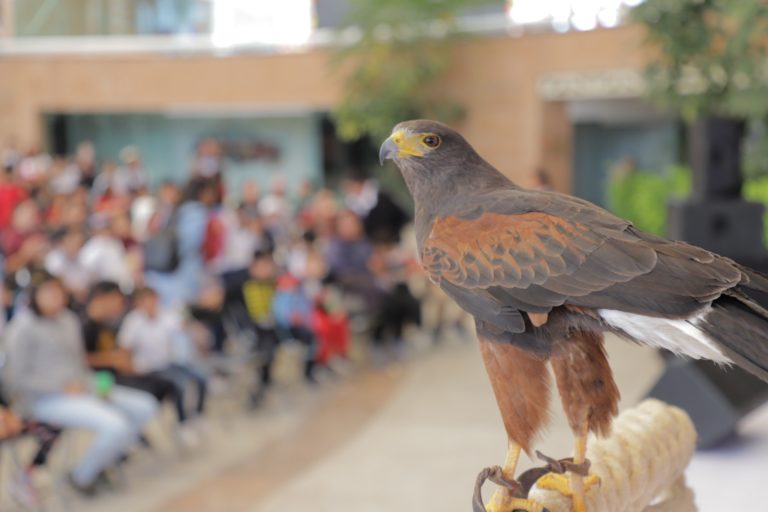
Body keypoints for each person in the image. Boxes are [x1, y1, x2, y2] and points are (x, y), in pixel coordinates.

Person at [4, 275, 158, 495]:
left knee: (144, 406)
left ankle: (104, 462)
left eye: (58, 292)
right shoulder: (22, 328)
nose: (54, 298)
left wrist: (95, 386)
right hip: (44, 398)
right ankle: (81, 476)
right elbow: (16, 378)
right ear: (35, 295)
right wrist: (59, 388)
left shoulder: (69, 320)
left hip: (81, 387)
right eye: (48, 292)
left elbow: (79, 363)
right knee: (116, 425)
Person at [118, 287, 208, 439]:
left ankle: (198, 415)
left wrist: (197, 331)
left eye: (153, 300)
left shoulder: (166, 315)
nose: (150, 304)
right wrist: (129, 369)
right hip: (149, 370)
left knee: (201, 377)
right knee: (180, 384)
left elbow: (183, 326)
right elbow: (124, 348)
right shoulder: (133, 322)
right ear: (139, 303)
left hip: (169, 363)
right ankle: (182, 423)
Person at [81, 281, 178, 413]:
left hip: (114, 374)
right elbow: (79, 359)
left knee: (164, 385)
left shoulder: (107, 323)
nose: (120, 306)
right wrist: (113, 360)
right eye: (117, 300)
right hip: (97, 379)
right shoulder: (82, 324)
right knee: (147, 398)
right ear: (101, 297)